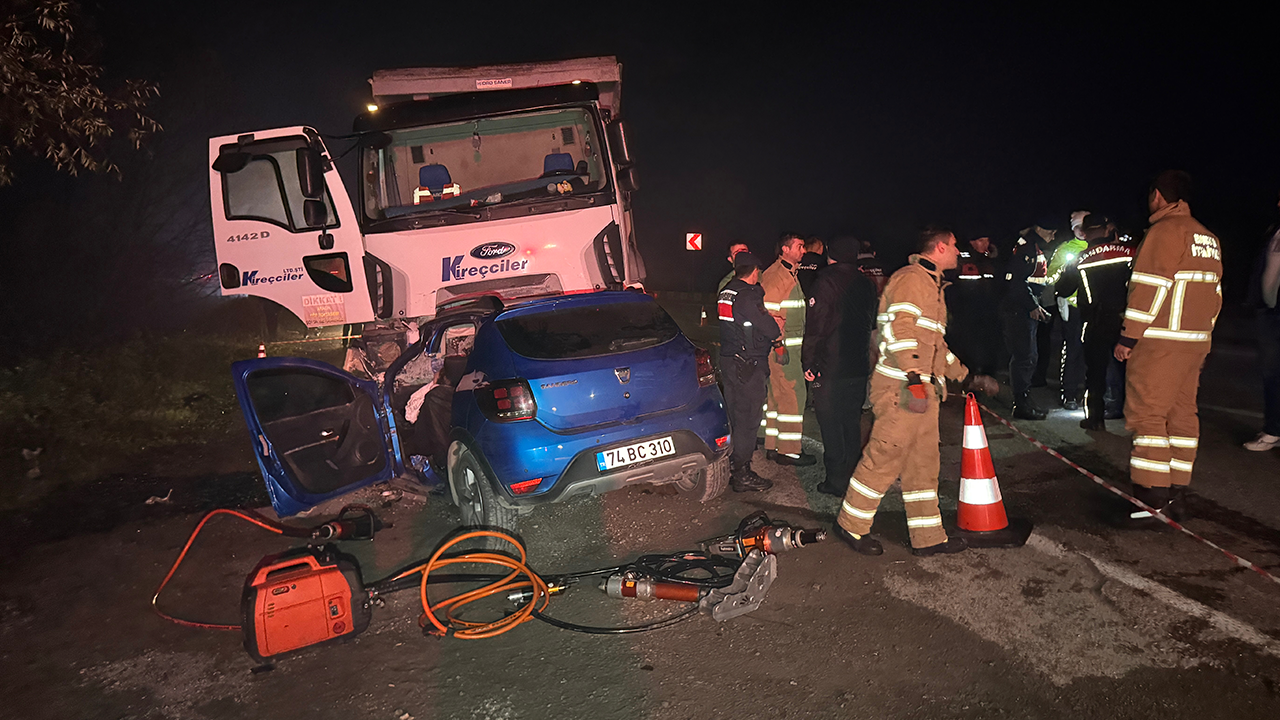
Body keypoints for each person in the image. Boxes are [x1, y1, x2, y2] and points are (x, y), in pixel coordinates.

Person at [831, 227, 999, 557]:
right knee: (883, 459)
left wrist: (965, 377)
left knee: (923, 466)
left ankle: (928, 538)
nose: (957, 252)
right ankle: (850, 526)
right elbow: (899, 329)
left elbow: (936, 346)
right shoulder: (912, 279)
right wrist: (913, 380)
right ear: (938, 248)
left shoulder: (932, 284)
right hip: (902, 391)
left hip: (921, 393)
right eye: (953, 247)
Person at [1114, 170, 1223, 525]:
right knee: (1182, 415)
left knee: (1148, 416)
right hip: (1193, 344)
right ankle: (1176, 493)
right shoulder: (1208, 238)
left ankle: (1150, 499)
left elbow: (1149, 287)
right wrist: (1203, 342)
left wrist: (1128, 337)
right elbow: (1215, 298)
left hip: (1159, 342)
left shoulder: (1164, 232)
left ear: (1159, 196)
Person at [801, 236, 879, 496]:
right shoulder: (867, 284)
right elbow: (870, 323)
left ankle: (836, 481)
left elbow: (816, 328)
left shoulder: (826, 281)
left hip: (829, 368)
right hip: (857, 365)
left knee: (830, 422)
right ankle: (855, 476)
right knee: (851, 422)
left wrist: (809, 362)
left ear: (830, 255)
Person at [1057, 214, 1134, 430]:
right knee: (1128, 369)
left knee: (1095, 372)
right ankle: (1131, 414)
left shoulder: (1082, 258)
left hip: (1095, 321)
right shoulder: (1129, 253)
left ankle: (1095, 419)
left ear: (1087, 232)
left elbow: (1063, 288)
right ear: (1108, 229)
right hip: (1126, 320)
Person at [717, 252, 780, 491]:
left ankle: (732, 462)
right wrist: (776, 332)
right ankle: (741, 472)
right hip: (748, 365)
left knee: (734, 415)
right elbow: (768, 326)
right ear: (754, 271)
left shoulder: (727, 291)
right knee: (748, 419)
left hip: (731, 361)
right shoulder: (747, 295)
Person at [760, 233, 816, 466]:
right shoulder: (778, 276)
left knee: (777, 396)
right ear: (785, 249)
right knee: (793, 396)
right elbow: (769, 314)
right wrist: (779, 344)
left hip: (782, 346)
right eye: (799, 247)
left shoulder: (788, 273)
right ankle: (790, 450)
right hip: (783, 348)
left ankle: (772, 445)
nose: (803, 251)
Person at [1000, 228, 1052, 419]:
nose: (1053, 235)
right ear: (1039, 229)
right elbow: (1018, 283)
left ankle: (1024, 401)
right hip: (1019, 310)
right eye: (1051, 231)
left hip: (1025, 307)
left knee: (1030, 356)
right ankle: (1021, 405)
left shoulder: (1034, 246)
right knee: (1024, 356)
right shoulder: (1026, 247)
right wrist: (1032, 305)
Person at [1244, 190, 1280, 451]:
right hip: (1269, 312)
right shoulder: (1274, 231)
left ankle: (1274, 430)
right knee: (1271, 373)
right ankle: (1273, 429)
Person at [1046, 213, 1090, 409]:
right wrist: (1065, 270)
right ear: (1073, 229)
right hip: (1072, 308)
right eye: (1078, 226)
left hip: (1093, 307)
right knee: (1073, 349)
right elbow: (1049, 276)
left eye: (1084, 226)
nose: (1081, 230)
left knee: (1093, 351)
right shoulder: (1065, 249)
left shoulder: (1098, 245)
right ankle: (1069, 394)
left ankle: (1092, 393)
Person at [946, 235, 1002, 376]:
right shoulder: (962, 257)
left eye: (987, 240)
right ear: (972, 241)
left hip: (988, 310)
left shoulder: (990, 258)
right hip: (965, 312)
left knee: (990, 344)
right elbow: (951, 285)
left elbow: (997, 283)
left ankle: (989, 375)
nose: (985, 244)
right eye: (981, 240)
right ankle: (967, 380)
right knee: (966, 348)